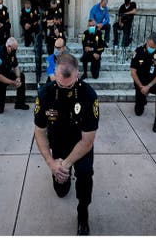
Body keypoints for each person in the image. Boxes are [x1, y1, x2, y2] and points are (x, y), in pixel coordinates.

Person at [34, 53, 99, 236]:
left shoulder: (88, 96)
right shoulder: (45, 93)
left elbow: (88, 140)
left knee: (85, 175)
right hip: (58, 144)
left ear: (77, 73)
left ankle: (83, 212)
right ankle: (61, 175)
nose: (64, 88)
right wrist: (52, 164)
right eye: (61, 83)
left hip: (80, 146)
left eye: (69, 84)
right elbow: (39, 132)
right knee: (61, 191)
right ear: (55, 72)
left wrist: (66, 164)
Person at [0, 37, 29, 113]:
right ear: (9, 47)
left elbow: (16, 66)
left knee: (22, 76)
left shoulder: (11, 52)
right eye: (14, 49)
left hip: (5, 74)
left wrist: (18, 78)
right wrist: (13, 83)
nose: (15, 51)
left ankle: (20, 103)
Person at [130, 32, 156, 132]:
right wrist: (142, 87)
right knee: (138, 112)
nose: (152, 48)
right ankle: (143, 99)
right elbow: (133, 73)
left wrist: (148, 86)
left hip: (152, 83)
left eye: (154, 47)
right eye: (151, 46)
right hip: (140, 84)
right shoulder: (138, 51)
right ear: (147, 41)